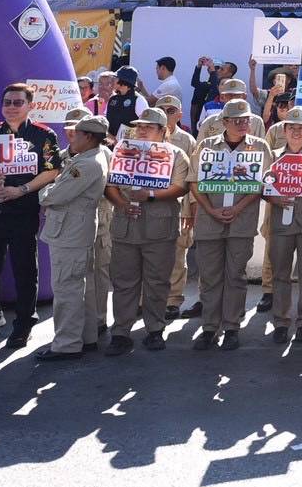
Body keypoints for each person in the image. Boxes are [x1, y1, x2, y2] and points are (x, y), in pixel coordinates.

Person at [0, 83, 63, 349]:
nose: (11, 107)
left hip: (22, 210)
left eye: (17, 102)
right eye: (7, 102)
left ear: (30, 105)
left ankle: (23, 325)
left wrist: (20, 189)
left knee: (24, 268)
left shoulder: (43, 134)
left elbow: (52, 170)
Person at [106, 109, 191, 355]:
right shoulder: (122, 150)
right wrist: (121, 204)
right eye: (139, 126)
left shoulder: (176, 154)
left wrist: (151, 195)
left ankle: (155, 330)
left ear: (163, 131)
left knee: (157, 281)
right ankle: (121, 332)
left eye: (149, 127)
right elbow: (110, 185)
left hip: (159, 227)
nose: (142, 130)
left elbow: (180, 187)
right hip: (126, 225)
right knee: (123, 282)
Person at [190, 98, 271, 350]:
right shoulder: (206, 146)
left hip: (241, 221)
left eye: (246, 119)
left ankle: (232, 327)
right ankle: (209, 328)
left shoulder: (259, 147)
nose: (242, 123)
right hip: (209, 221)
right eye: (236, 120)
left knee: (235, 276)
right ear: (224, 122)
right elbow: (194, 182)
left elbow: (261, 184)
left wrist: (237, 207)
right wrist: (210, 210)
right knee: (211, 276)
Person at [33, 115, 111, 361]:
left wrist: (45, 188)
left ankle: (67, 344)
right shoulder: (96, 156)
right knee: (81, 286)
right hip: (78, 230)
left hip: (70, 232)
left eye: (76, 134)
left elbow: (51, 196)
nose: (71, 138)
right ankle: (85, 337)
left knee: (67, 289)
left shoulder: (86, 165)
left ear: (88, 137)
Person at [264, 107, 302, 346]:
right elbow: (261, 186)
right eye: (292, 127)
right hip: (280, 223)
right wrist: (273, 198)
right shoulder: (273, 155)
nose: (296, 132)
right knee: (280, 275)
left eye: (301, 128)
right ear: (284, 130)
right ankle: (281, 322)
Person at [157, 95, 199, 321]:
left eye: (171, 109)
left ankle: (173, 300)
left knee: (177, 254)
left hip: (179, 205)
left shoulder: (187, 140)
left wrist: (191, 209)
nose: (166, 112)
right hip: (150, 204)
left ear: (180, 114)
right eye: (161, 109)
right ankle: (147, 300)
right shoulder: (141, 137)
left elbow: (192, 178)